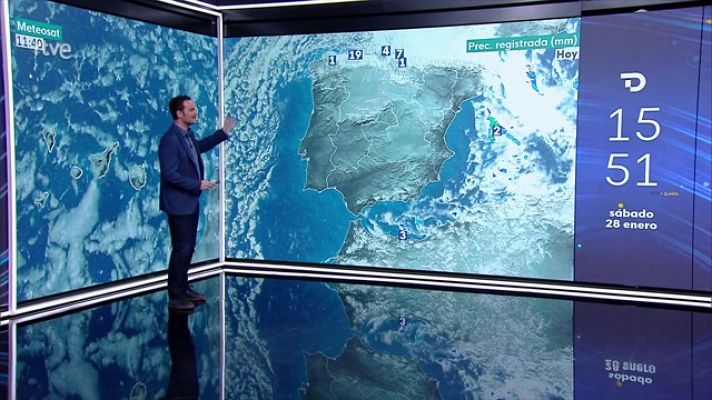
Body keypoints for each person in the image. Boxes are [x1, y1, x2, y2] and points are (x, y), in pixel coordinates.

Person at [159, 95, 234, 310]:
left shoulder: (186, 135)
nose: (196, 112)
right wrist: (197, 184)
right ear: (179, 114)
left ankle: (183, 288)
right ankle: (175, 295)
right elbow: (170, 174)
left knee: (187, 248)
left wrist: (223, 133)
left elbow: (198, 147)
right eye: (191, 109)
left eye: (195, 108)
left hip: (188, 203)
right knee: (181, 249)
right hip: (178, 204)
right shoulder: (170, 140)